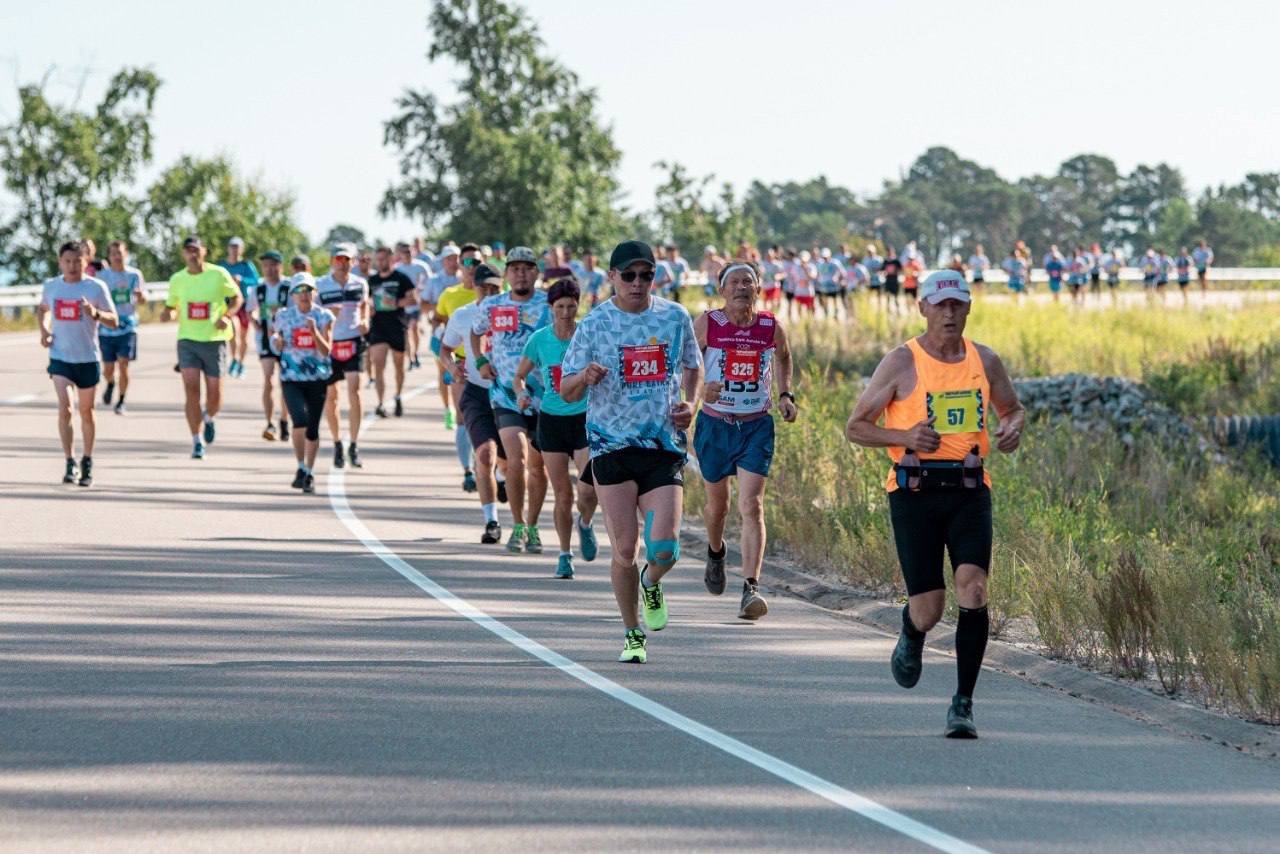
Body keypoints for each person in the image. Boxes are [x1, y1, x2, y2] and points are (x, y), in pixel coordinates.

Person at [844, 269, 1025, 738]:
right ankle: (911, 630)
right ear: (922, 307)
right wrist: (905, 435)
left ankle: (963, 704)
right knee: (930, 609)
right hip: (915, 491)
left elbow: (1013, 408)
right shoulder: (902, 362)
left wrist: (1011, 429)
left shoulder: (985, 360)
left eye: (957, 304)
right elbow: (856, 426)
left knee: (975, 591)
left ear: (968, 307)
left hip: (968, 489)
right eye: (940, 304)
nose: (949, 313)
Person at [560, 239, 703, 664]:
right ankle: (632, 632)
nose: (638, 283)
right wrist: (585, 376)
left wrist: (689, 405)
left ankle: (652, 581)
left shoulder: (675, 317)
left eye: (646, 275)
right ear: (612, 278)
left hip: (661, 446)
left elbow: (693, 366)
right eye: (629, 275)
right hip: (611, 447)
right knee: (624, 548)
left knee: (665, 549)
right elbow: (566, 392)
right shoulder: (594, 325)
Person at [694, 260, 798, 620]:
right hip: (714, 425)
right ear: (722, 290)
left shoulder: (770, 326)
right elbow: (683, 364)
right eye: (734, 282)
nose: (741, 287)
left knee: (752, 505)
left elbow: (784, 357)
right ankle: (716, 550)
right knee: (717, 507)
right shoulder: (709, 323)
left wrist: (786, 395)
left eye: (748, 282)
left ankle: (751, 587)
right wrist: (699, 388)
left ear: (758, 288)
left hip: (755, 425)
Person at [512, 278, 599, 579]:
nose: (565, 312)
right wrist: (522, 393)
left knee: (588, 490)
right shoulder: (540, 339)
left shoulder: (589, 335)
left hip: (585, 417)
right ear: (550, 309)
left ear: (579, 306)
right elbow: (519, 375)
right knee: (562, 494)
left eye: (571, 306)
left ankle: (585, 523)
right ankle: (564, 554)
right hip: (551, 419)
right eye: (559, 307)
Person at [470, 246, 551, 553]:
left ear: (535, 272)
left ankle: (532, 525)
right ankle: (517, 524)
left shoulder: (548, 304)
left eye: (526, 268)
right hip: (505, 394)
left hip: (544, 397)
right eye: (514, 268)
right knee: (516, 461)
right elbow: (475, 335)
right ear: (506, 274)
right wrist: (480, 362)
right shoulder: (493, 305)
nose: (520, 273)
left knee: (538, 467)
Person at [38, 241, 118, 486]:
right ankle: (69, 460)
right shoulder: (52, 286)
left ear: (86, 262)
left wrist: (95, 313)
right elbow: (42, 309)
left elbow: (114, 320)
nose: (72, 266)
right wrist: (44, 331)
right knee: (66, 408)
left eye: (77, 261)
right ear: (60, 262)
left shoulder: (96, 288)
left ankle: (87, 459)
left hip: (87, 358)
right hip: (60, 357)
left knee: (87, 412)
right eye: (67, 261)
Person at [441, 263, 506, 542]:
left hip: (509, 394)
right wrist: (452, 368)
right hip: (477, 393)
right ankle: (491, 521)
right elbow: (444, 348)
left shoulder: (513, 314)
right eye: (484, 288)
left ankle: (502, 479)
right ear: (475, 287)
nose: (490, 293)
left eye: (495, 288)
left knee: (513, 461)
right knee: (484, 456)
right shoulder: (463, 315)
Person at [162, 236, 242, 459]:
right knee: (191, 390)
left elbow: (237, 298)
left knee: (215, 393)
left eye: (196, 250)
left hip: (214, 340)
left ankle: (208, 417)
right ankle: (197, 441)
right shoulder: (177, 279)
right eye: (188, 250)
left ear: (204, 251)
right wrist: (169, 313)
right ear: (183, 254)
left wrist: (227, 315)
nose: (192, 254)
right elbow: (171, 306)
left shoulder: (218, 274)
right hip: (188, 340)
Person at [271, 275, 335, 494]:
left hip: (317, 377)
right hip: (292, 377)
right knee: (299, 420)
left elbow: (327, 350)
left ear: (315, 292)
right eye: (299, 290)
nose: (304, 294)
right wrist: (277, 342)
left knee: (313, 428)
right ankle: (300, 465)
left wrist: (314, 332)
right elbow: (275, 340)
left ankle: (309, 471)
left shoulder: (324, 315)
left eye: (308, 289)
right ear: (293, 295)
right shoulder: (283, 315)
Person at [316, 243, 370, 469]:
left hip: (353, 340)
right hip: (330, 343)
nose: (343, 263)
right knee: (332, 396)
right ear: (332, 261)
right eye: (339, 259)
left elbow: (365, 305)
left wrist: (366, 320)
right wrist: (329, 315)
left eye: (347, 259)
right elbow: (313, 311)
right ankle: (337, 442)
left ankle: (354, 444)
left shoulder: (360, 283)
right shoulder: (320, 285)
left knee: (355, 389)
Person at [435, 245, 482, 492]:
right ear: (460, 266)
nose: (472, 268)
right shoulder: (449, 294)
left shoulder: (498, 293)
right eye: (467, 263)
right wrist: (449, 363)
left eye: (476, 263)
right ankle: (467, 471)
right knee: (463, 415)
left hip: (491, 364)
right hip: (461, 362)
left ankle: (485, 462)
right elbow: (438, 322)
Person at [366, 246, 416, 417]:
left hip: (397, 324)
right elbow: (366, 301)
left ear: (391, 259)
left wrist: (395, 303)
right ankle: (380, 403)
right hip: (378, 326)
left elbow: (413, 299)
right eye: (378, 259)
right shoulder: (371, 280)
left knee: (398, 365)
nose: (380, 262)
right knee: (378, 364)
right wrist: (370, 309)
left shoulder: (401, 278)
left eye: (383, 259)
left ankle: (398, 396)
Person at [97, 240, 145, 415]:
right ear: (109, 256)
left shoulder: (134, 275)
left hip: (128, 326)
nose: (117, 256)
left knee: (124, 364)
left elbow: (143, 298)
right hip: (107, 327)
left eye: (120, 253)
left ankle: (122, 400)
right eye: (113, 253)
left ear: (126, 254)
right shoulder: (102, 277)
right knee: (108, 368)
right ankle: (110, 383)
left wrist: (140, 297)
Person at [247, 250, 291, 441]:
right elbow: (250, 310)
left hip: (286, 340)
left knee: (286, 381)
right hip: (265, 339)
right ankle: (269, 422)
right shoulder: (259, 289)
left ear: (280, 266)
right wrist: (256, 323)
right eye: (265, 265)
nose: (269, 269)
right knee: (268, 379)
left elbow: (297, 309)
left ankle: (284, 419)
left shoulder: (288, 287)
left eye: (273, 265)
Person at [423, 244, 465, 430]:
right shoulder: (434, 281)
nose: (453, 262)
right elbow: (423, 305)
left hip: (462, 336)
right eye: (449, 258)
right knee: (443, 372)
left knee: (462, 374)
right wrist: (442, 309)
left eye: (456, 258)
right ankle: (448, 408)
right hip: (441, 332)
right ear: (443, 261)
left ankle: (460, 408)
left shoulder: (465, 278)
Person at [218, 237, 260, 378]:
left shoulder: (246, 265)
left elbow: (255, 280)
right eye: (232, 246)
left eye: (237, 247)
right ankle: (234, 358)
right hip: (228, 302)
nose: (234, 250)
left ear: (241, 249)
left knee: (243, 336)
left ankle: (241, 362)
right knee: (233, 331)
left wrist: (241, 279)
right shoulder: (222, 265)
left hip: (244, 303)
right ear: (228, 248)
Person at [395, 241, 432, 370]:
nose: (407, 254)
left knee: (414, 328)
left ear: (414, 252)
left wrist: (422, 294)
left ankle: (415, 353)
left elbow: (429, 282)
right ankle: (410, 357)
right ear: (400, 254)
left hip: (417, 304)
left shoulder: (421, 266)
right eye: (404, 252)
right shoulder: (397, 269)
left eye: (409, 251)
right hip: (403, 306)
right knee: (406, 332)